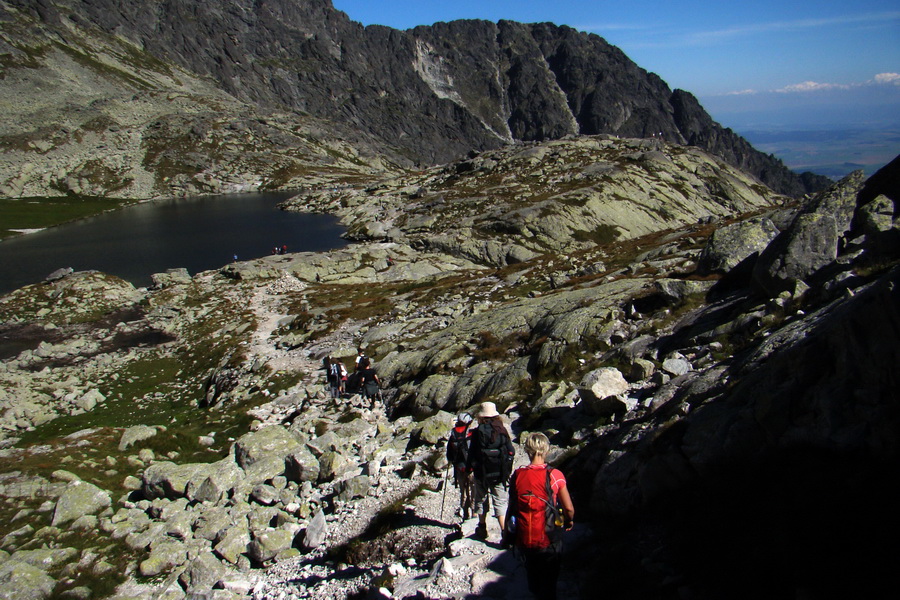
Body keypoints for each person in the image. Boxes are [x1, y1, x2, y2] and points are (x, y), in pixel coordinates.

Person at [505, 432, 575, 600]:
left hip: (525, 536)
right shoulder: (555, 475)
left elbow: (512, 505)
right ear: (546, 450)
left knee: (534, 577)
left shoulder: (517, 475)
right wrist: (569, 520)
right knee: (550, 582)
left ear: (527, 450)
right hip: (549, 537)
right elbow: (569, 508)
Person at [466, 401, 515, 540]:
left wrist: (469, 468)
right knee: (500, 502)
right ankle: (505, 533)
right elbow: (511, 451)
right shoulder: (502, 430)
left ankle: (482, 528)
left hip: (481, 473)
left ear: (481, 416)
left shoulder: (477, 433)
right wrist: (507, 469)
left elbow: (471, 453)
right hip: (499, 473)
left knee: (481, 499)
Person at [446, 412, 475, 520]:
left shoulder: (453, 433)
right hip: (471, 468)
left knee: (463, 491)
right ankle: (474, 513)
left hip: (459, 467)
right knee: (473, 490)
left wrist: (452, 461)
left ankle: (465, 512)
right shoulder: (471, 433)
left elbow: (449, 453)